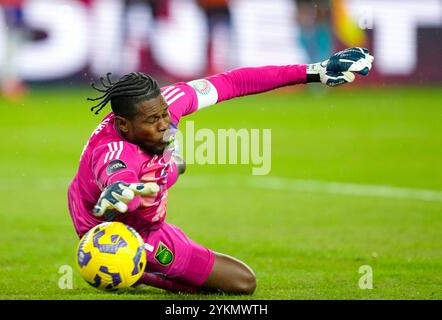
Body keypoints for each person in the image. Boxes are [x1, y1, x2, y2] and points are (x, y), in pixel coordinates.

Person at [67, 47, 374, 294]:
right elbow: (118, 175)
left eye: (165, 115)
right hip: (116, 230)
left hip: (141, 208)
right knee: (242, 283)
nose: (164, 125)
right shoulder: (112, 151)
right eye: (152, 121)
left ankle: (143, 251)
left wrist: (313, 72)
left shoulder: (169, 103)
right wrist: (122, 188)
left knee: (173, 165)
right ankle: (134, 272)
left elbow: (233, 82)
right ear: (123, 126)